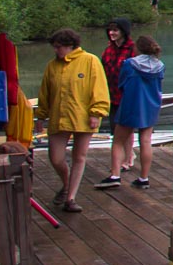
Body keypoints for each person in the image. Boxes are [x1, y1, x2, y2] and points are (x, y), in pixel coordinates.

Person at [38, 28, 109, 212]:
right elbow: (45, 93)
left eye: (58, 47)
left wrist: (97, 112)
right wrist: (41, 116)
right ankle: (66, 183)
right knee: (55, 158)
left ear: (70, 46)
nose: (56, 50)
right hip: (59, 117)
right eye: (54, 47)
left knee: (79, 156)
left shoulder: (90, 61)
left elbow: (99, 88)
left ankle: (71, 198)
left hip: (83, 117)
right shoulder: (52, 66)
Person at [113, 36, 164, 189]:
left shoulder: (129, 64)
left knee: (118, 141)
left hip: (132, 104)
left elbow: (121, 83)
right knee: (146, 141)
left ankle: (115, 175)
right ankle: (144, 177)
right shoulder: (160, 66)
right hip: (151, 106)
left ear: (138, 48)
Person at [98, 17, 136, 185]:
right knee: (116, 128)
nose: (112, 33)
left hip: (127, 95)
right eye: (110, 30)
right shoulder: (108, 50)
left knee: (127, 128)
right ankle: (124, 158)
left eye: (115, 30)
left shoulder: (132, 50)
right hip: (111, 94)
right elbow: (102, 70)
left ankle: (127, 159)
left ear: (123, 32)